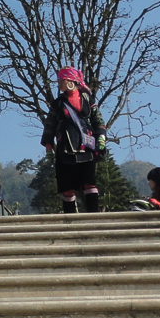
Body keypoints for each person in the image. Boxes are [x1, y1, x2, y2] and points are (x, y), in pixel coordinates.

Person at [40, 67, 107, 213]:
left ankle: (94, 216)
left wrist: (101, 137)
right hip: (64, 148)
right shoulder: (57, 103)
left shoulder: (88, 100)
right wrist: (49, 148)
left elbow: (98, 120)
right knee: (67, 186)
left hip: (86, 147)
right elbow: (50, 126)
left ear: (71, 81)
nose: (59, 83)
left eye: (61, 80)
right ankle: (70, 219)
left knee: (89, 182)